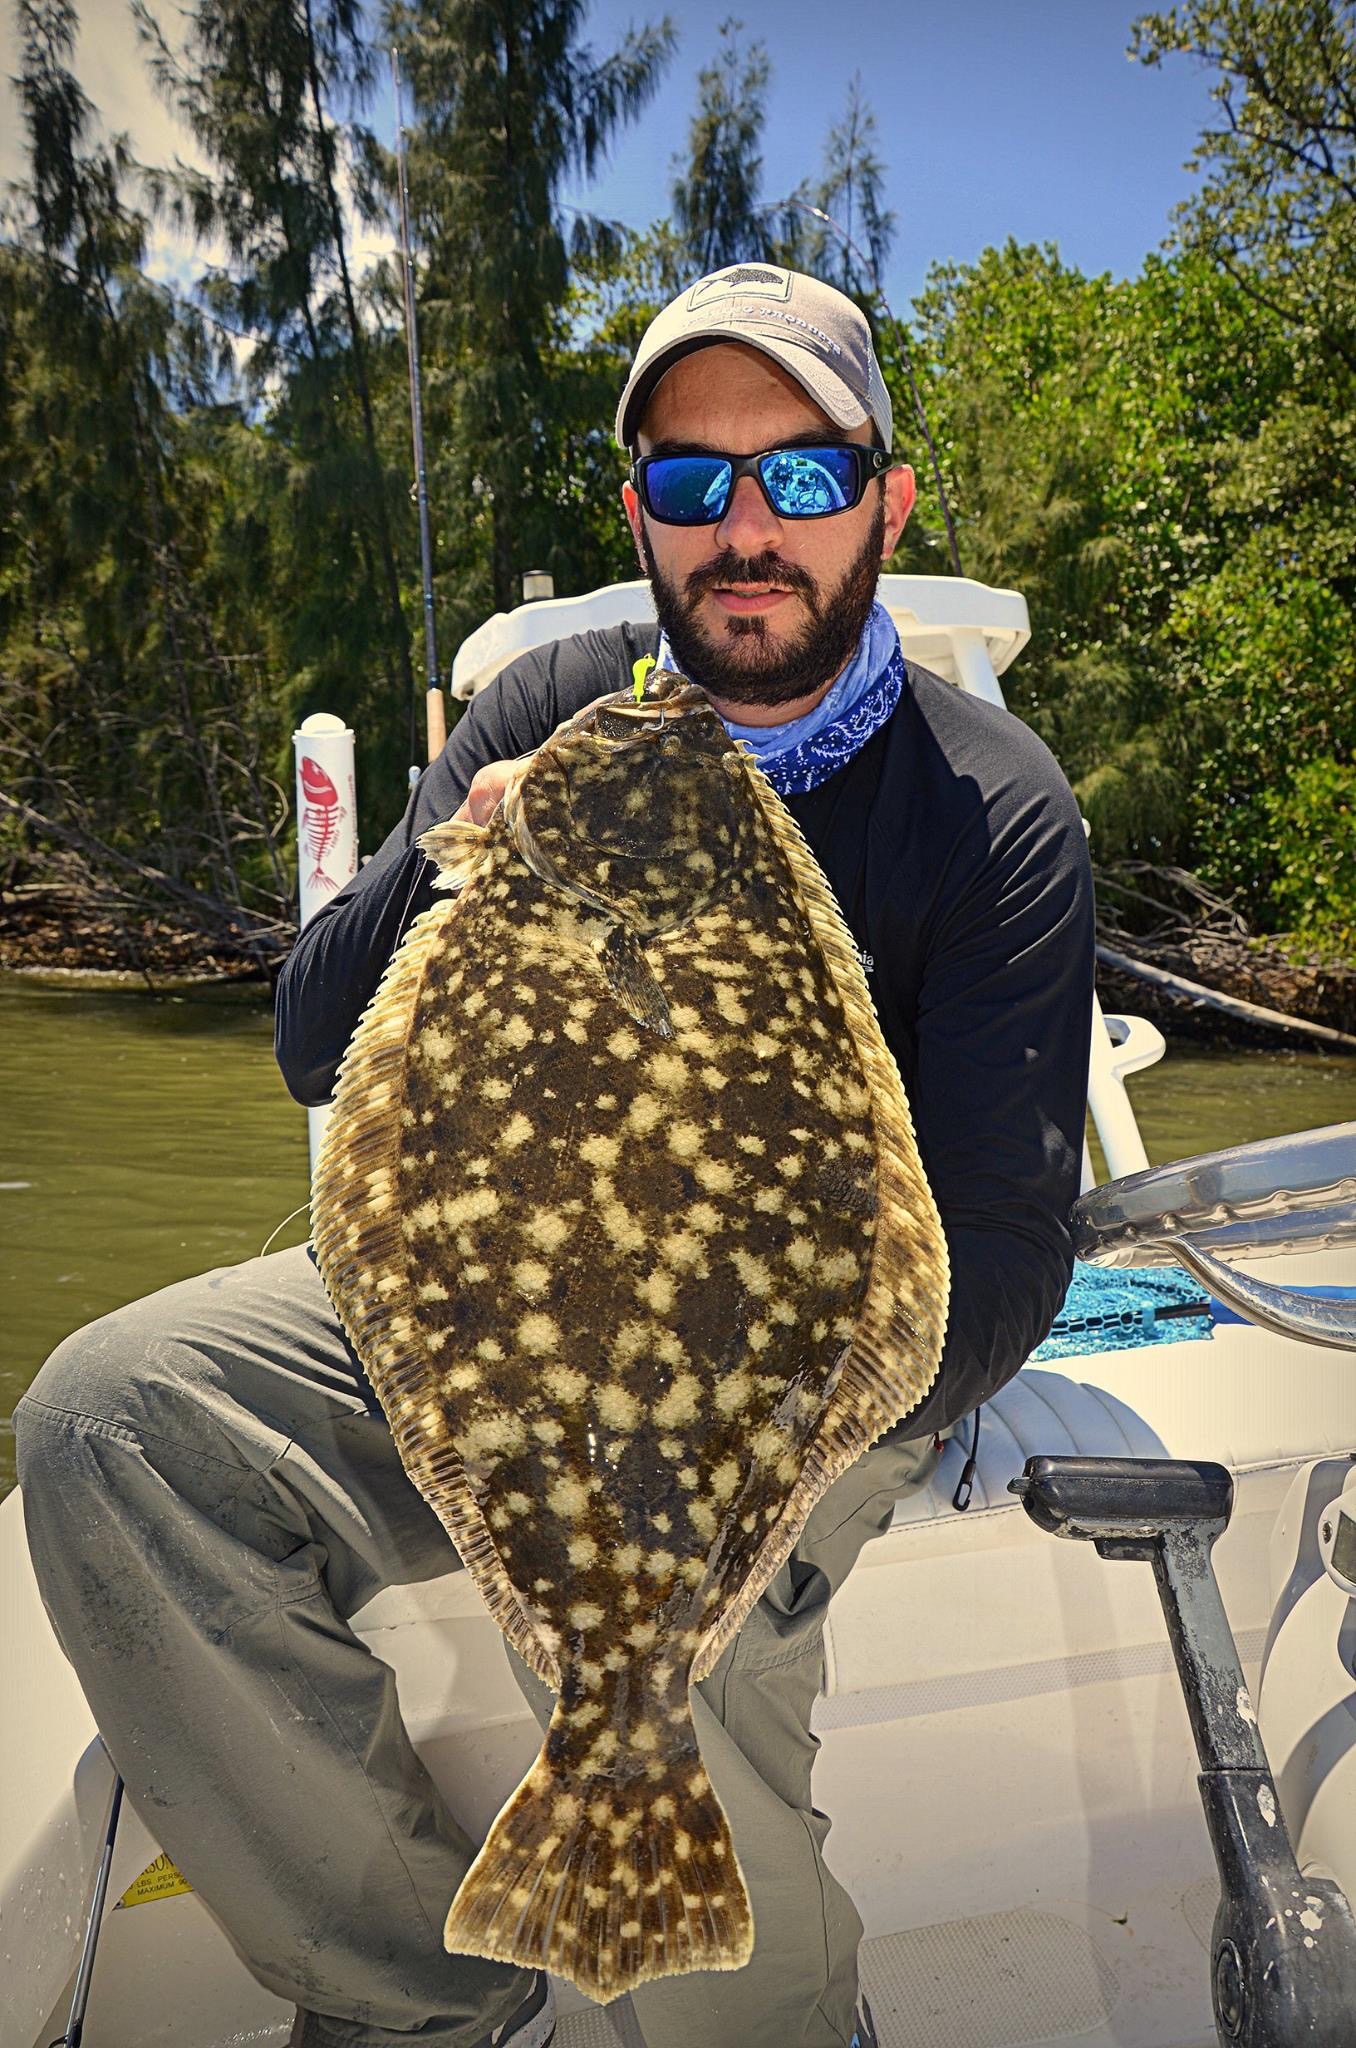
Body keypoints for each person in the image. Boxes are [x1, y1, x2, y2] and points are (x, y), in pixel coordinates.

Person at [15, 264, 1096, 2048]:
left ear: (885, 500)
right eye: (693, 483)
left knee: (690, 1643)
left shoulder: (989, 807)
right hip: (478, 1308)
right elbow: (313, 1040)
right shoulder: (556, 720)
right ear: (642, 516)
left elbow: (1001, 1240)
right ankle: (413, 1999)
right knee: (107, 1422)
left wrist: (756, 1434)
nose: (746, 530)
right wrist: (458, 854)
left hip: (791, 1368)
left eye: (803, 477)